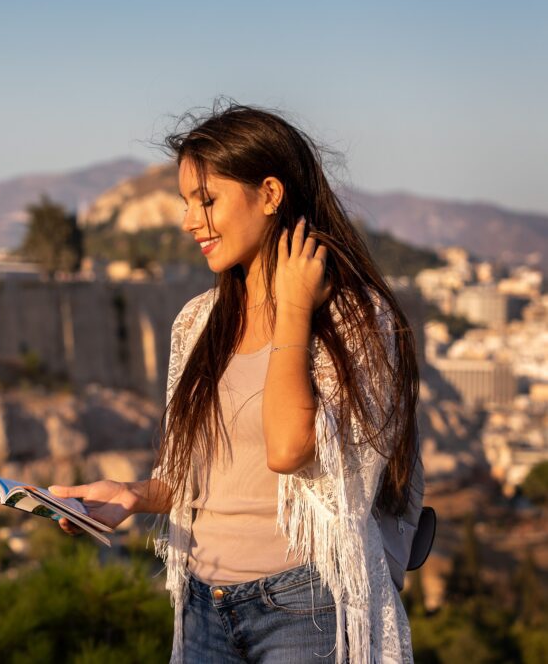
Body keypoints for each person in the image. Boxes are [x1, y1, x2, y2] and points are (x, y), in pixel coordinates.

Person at [49, 103, 421, 663]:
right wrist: (133, 496)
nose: (188, 221)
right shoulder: (199, 322)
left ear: (270, 194)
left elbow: (288, 450)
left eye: (207, 200)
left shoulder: (353, 322)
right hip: (203, 606)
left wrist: (294, 310)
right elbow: (200, 476)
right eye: (185, 204)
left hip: (306, 609)